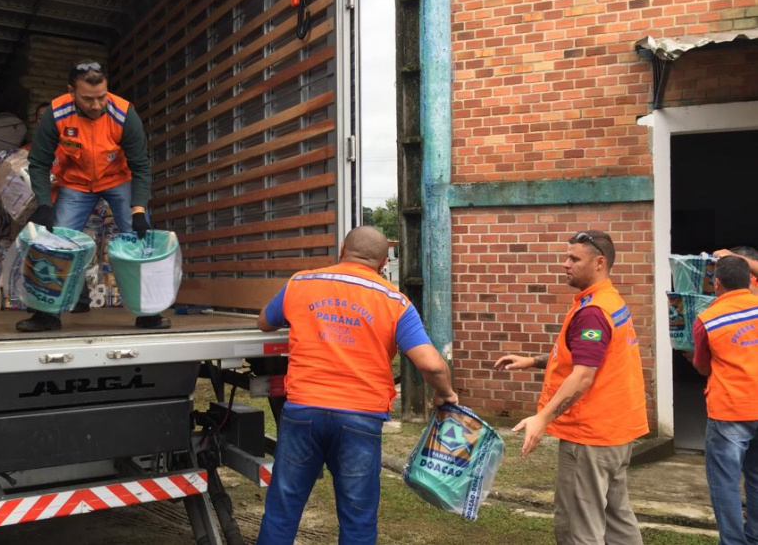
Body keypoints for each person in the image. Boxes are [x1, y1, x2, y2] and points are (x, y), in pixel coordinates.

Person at [255, 226, 459, 545]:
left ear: (341, 249)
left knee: (283, 509)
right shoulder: (395, 301)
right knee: (358, 517)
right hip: (360, 420)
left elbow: (265, 322)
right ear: (382, 264)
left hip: (303, 411)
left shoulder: (301, 283)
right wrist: (443, 394)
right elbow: (432, 364)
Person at [494, 230, 648, 545]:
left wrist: (543, 418)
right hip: (618, 431)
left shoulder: (593, 312)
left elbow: (583, 375)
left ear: (600, 263)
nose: (565, 264)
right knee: (617, 520)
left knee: (580, 527)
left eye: (574, 259)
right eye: (567, 257)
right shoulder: (607, 300)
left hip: (590, 436)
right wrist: (533, 361)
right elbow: (587, 357)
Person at [17, 59, 170, 332]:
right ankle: (46, 316)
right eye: (88, 99)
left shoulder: (124, 114)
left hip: (118, 179)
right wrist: (43, 204)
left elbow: (141, 166)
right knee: (56, 242)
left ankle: (149, 314)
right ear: (71, 92)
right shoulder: (56, 113)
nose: (97, 105)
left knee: (139, 241)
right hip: (75, 183)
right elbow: (39, 163)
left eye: (102, 97)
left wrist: (138, 211)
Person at [691, 255, 758, 545]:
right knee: (756, 478)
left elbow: (703, 367)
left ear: (716, 283)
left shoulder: (707, 319)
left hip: (730, 410)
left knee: (725, 483)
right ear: (749, 281)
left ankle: (733, 542)